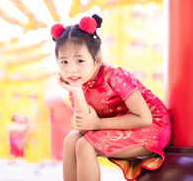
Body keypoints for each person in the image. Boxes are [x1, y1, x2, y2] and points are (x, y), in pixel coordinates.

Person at [50, 14, 172, 181]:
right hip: (114, 126)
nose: (71, 69)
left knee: (86, 145)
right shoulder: (77, 84)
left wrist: (99, 123)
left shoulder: (115, 76)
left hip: (152, 126)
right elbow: (86, 128)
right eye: (64, 62)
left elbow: (144, 118)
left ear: (97, 60)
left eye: (79, 60)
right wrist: (77, 91)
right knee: (71, 140)